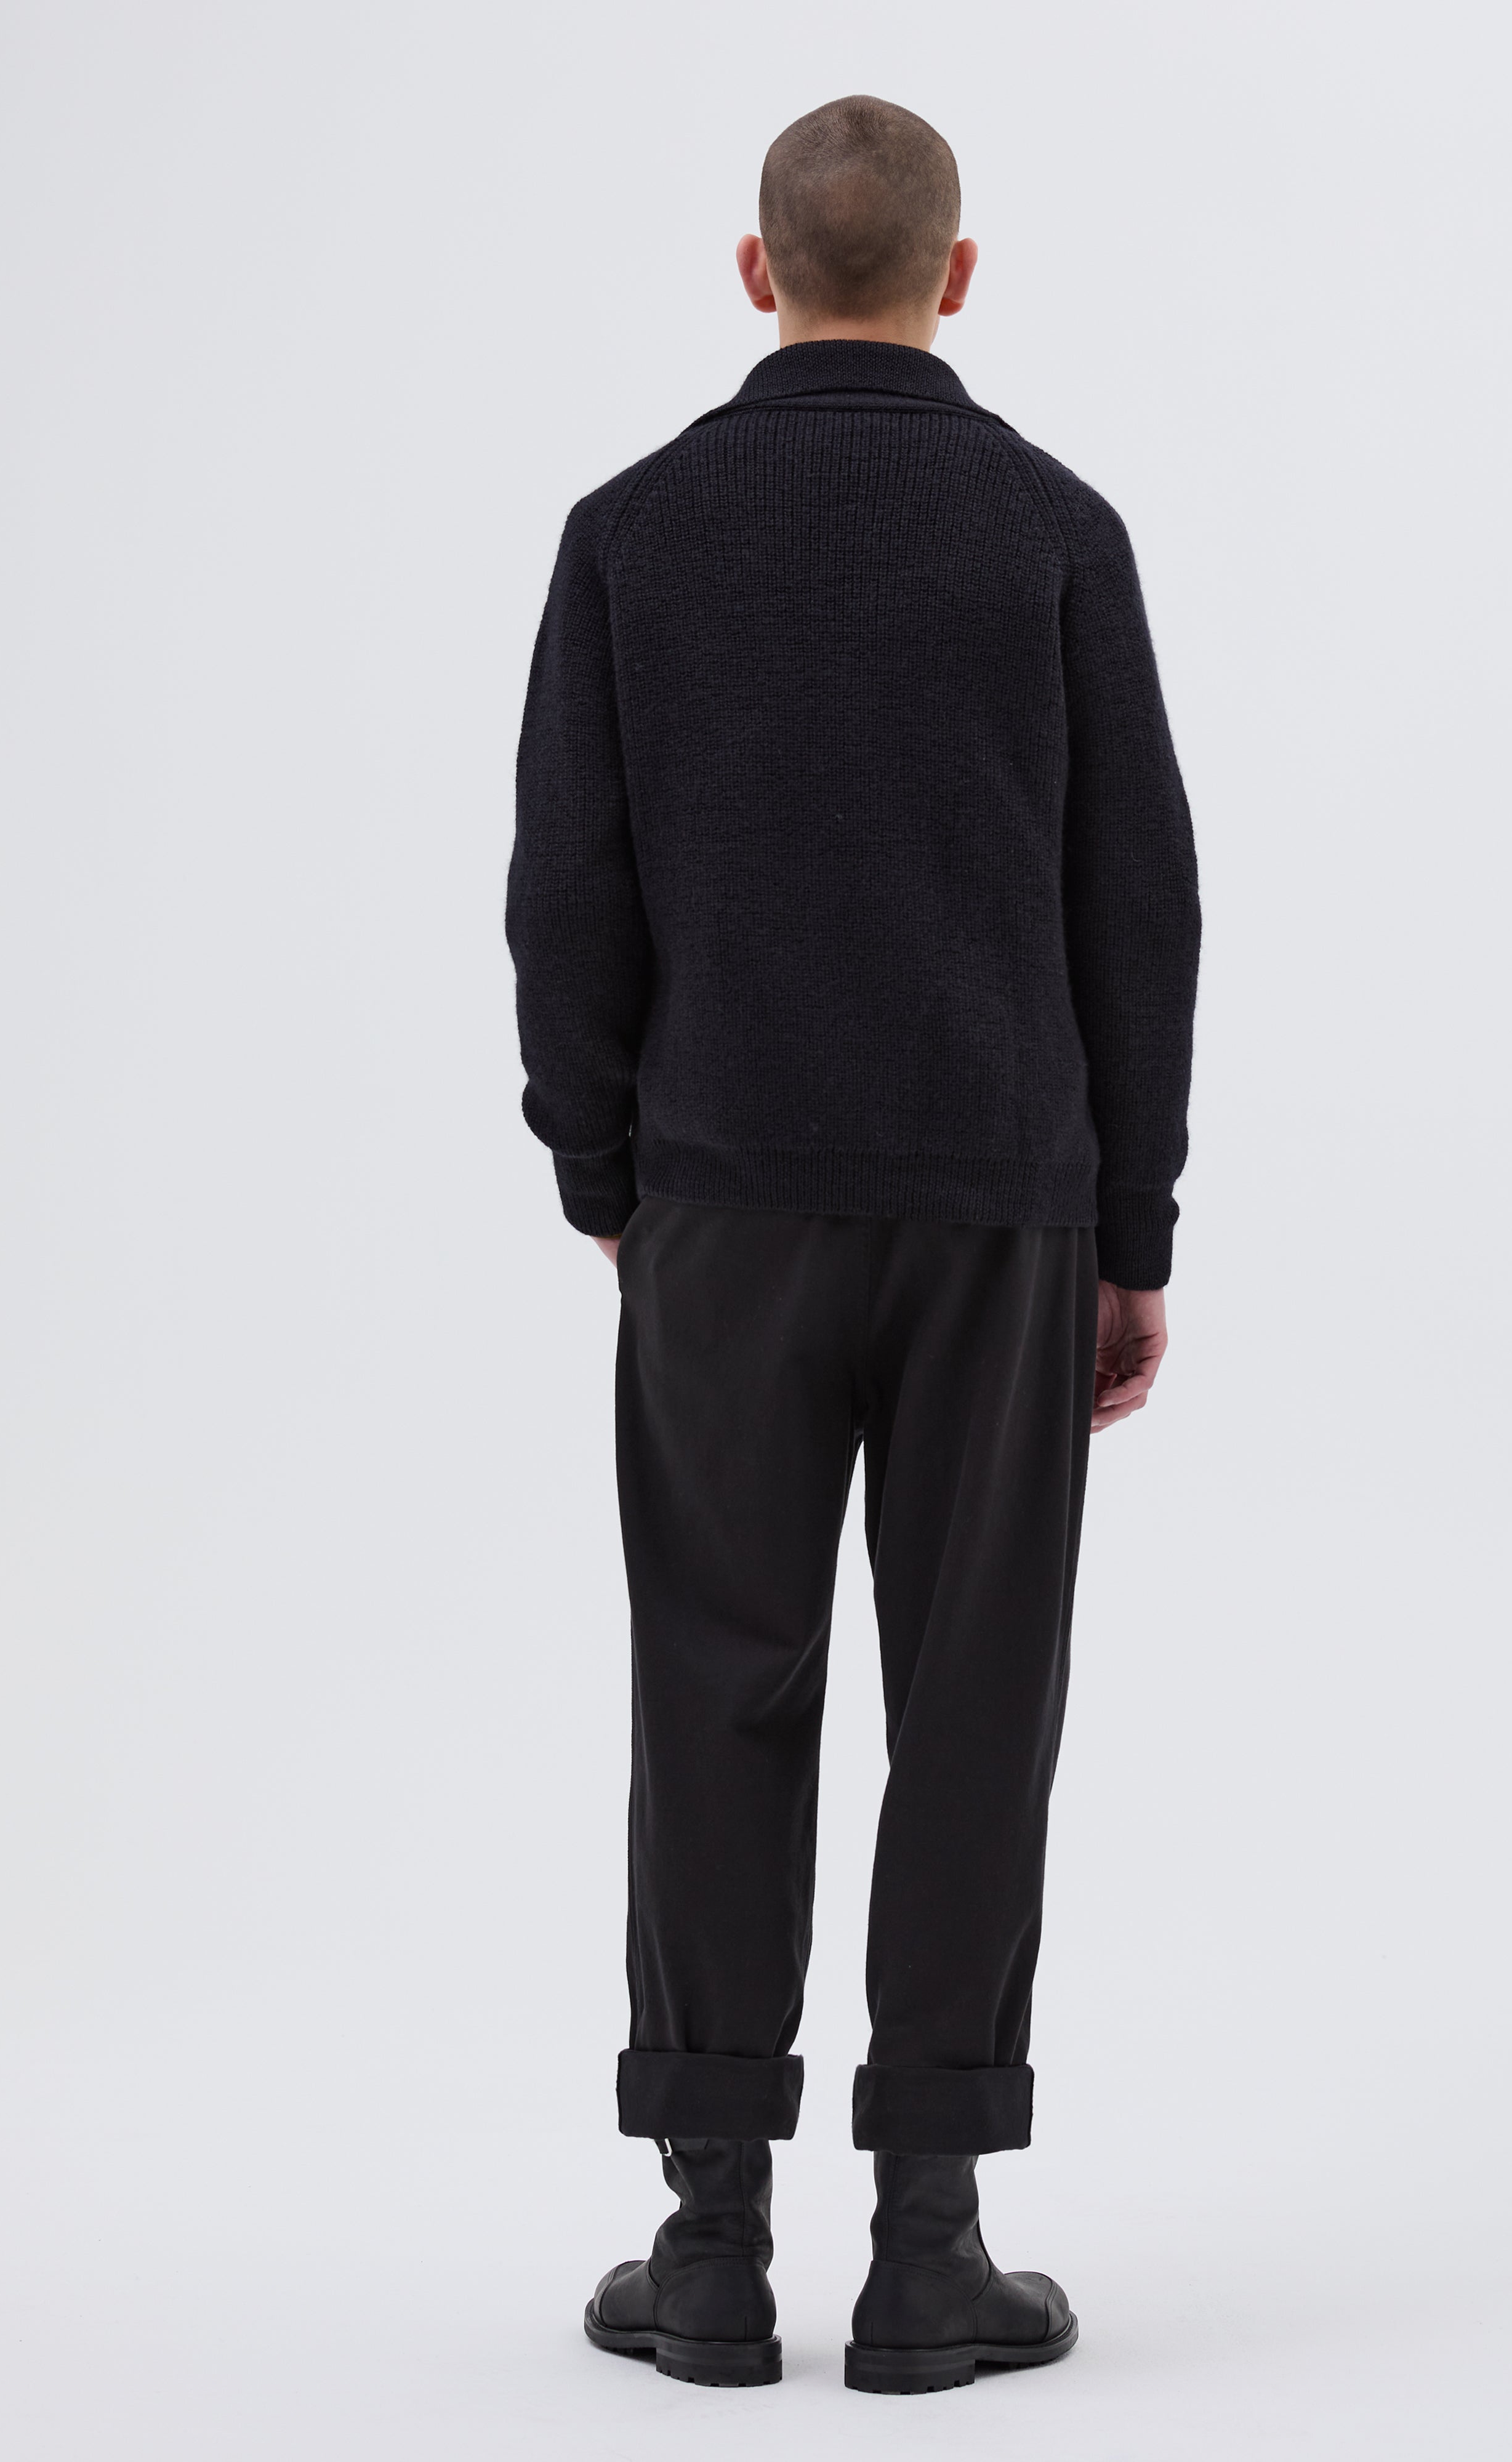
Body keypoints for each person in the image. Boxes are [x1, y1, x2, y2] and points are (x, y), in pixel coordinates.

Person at [507, 92, 1199, 2397]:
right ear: (957, 276)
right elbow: (1141, 906)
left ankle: (710, 2245)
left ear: (757, 270)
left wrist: (609, 1181)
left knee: (719, 1683)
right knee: (976, 1697)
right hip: (1003, 1205)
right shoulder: (1056, 534)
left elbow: (566, 893)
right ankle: (930, 2246)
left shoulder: (631, 533)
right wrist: (1132, 1228)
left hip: (720, 1202)